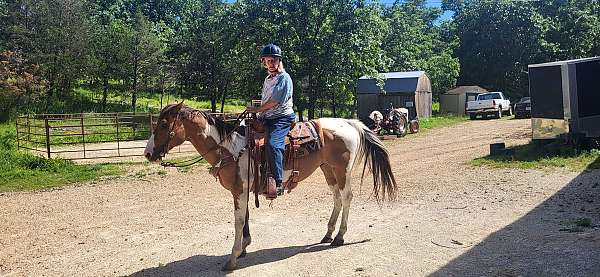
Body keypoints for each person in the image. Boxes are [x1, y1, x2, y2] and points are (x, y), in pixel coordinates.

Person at [246, 43, 295, 196]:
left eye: (274, 60)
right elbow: (266, 100)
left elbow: (274, 101)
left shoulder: (284, 78)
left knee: (273, 144)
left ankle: (279, 182)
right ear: (264, 62)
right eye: (268, 60)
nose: (271, 63)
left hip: (282, 118)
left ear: (279, 61)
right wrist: (258, 114)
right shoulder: (268, 79)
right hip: (267, 117)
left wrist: (257, 110)